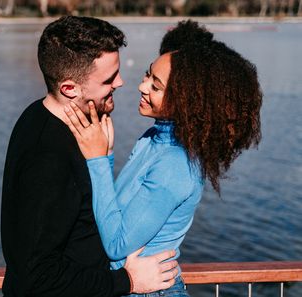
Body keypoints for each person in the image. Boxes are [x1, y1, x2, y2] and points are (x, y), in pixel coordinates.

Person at [64, 20, 263, 297]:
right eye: (147, 75)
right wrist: (106, 156)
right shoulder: (153, 138)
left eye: (155, 86)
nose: (141, 87)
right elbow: (117, 212)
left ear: (185, 101)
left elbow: (117, 244)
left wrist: (97, 160)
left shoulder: (176, 164)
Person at [0, 16, 179, 297]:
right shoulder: (48, 156)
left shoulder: (39, 114)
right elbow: (36, 276)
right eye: (108, 79)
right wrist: (127, 282)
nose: (120, 83)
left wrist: (102, 158)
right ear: (69, 88)